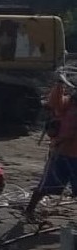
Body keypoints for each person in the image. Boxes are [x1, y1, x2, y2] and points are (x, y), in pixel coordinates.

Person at [25, 75, 77, 218]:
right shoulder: (67, 105)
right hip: (61, 152)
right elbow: (54, 102)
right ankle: (29, 210)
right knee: (47, 186)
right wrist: (59, 85)